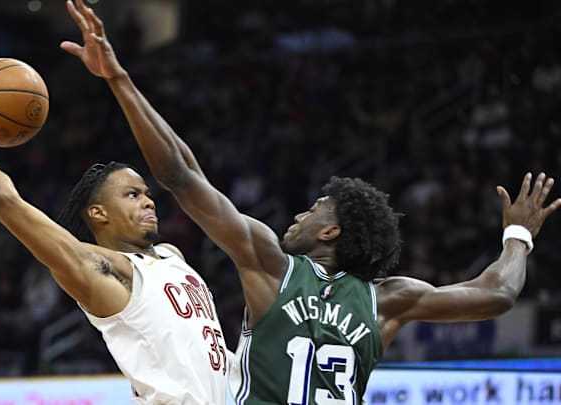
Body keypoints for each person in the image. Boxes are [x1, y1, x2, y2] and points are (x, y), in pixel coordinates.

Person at [60, 1, 561, 403]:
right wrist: (517, 236)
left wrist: (119, 79)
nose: (300, 214)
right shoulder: (390, 299)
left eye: (316, 208)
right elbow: (497, 293)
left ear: (332, 232)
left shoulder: (272, 265)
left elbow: (180, 175)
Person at [0, 77, 229, 404]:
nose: (149, 201)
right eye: (132, 195)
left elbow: (184, 168)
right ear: (98, 213)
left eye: (147, 194)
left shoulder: (172, 256)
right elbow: (6, 201)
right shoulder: (102, 272)